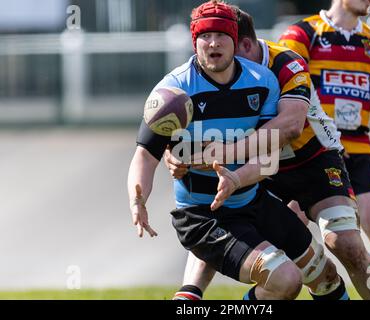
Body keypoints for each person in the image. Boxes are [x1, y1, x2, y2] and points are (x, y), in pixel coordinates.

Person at [168, 7, 370, 300]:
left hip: (312, 160)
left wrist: (225, 152)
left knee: (344, 243)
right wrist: (178, 155)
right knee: (225, 212)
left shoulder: (286, 63)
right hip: (259, 165)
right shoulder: (213, 71)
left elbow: (290, 127)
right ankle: (191, 294)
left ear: (243, 44)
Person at [128, 0, 340, 300]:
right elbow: (144, 156)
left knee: (324, 275)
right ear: (194, 41)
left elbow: (268, 159)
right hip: (203, 217)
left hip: (252, 201)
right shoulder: (173, 91)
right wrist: (138, 199)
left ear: (235, 39)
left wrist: (236, 179)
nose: (213, 43)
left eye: (221, 35)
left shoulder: (262, 82)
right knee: (285, 279)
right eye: (204, 36)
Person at [278, 0, 370, 294]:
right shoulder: (303, 33)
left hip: (358, 149)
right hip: (311, 153)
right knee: (291, 238)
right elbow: (282, 82)